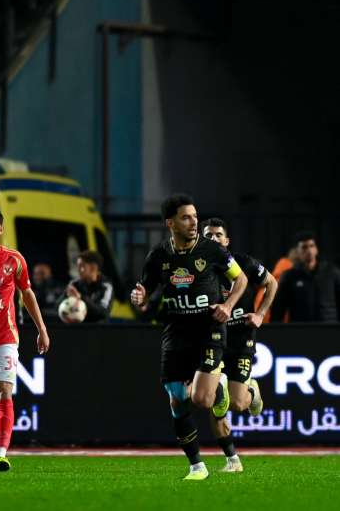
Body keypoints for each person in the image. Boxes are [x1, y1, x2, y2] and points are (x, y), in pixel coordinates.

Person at [130, 194, 247, 481]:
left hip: (209, 330)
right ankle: (197, 466)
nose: (194, 222)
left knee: (202, 399)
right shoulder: (158, 256)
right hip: (176, 333)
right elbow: (145, 291)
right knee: (177, 399)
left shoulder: (213, 250)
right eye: (186, 217)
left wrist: (228, 305)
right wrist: (140, 297)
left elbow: (241, 279)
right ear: (170, 223)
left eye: (195, 216)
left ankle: (218, 388)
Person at [0, 206, 50, 472]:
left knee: (4, 392)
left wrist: (41, 329)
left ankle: (2, 453)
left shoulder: (14, 260)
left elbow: (27, 294)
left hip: (5, 339)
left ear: (1, 229)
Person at [202, 218, 277, 473]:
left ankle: (252, 391)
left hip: (240, 338)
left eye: (218, 235)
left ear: (227, 240)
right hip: (212, 338)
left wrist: (260, 314)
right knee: (215, 398)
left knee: (237, 403)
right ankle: (232, 460)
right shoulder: (198, 268)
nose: (214, 239)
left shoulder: (243, 263)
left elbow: (272, 283)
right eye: (208, 235)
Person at [272, 231, 340, 323]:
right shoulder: (289, 276)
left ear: (316, 249)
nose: (309, 250)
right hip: (300, 328)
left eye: (312, 246)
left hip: (329, 327)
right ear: (297, 252)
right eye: (304, 247)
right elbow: (278, 309)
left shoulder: (332, 272)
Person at [61, 250, 113, 323]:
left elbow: (103, 312)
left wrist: (80, 297)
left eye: (81, 266)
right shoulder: (74, 284)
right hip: (76, 327)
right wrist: (66, 297)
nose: (78, 270)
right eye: (78, 266)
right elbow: (58, 306)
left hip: (98, 328)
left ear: (93, 268)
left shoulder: (106, 286)